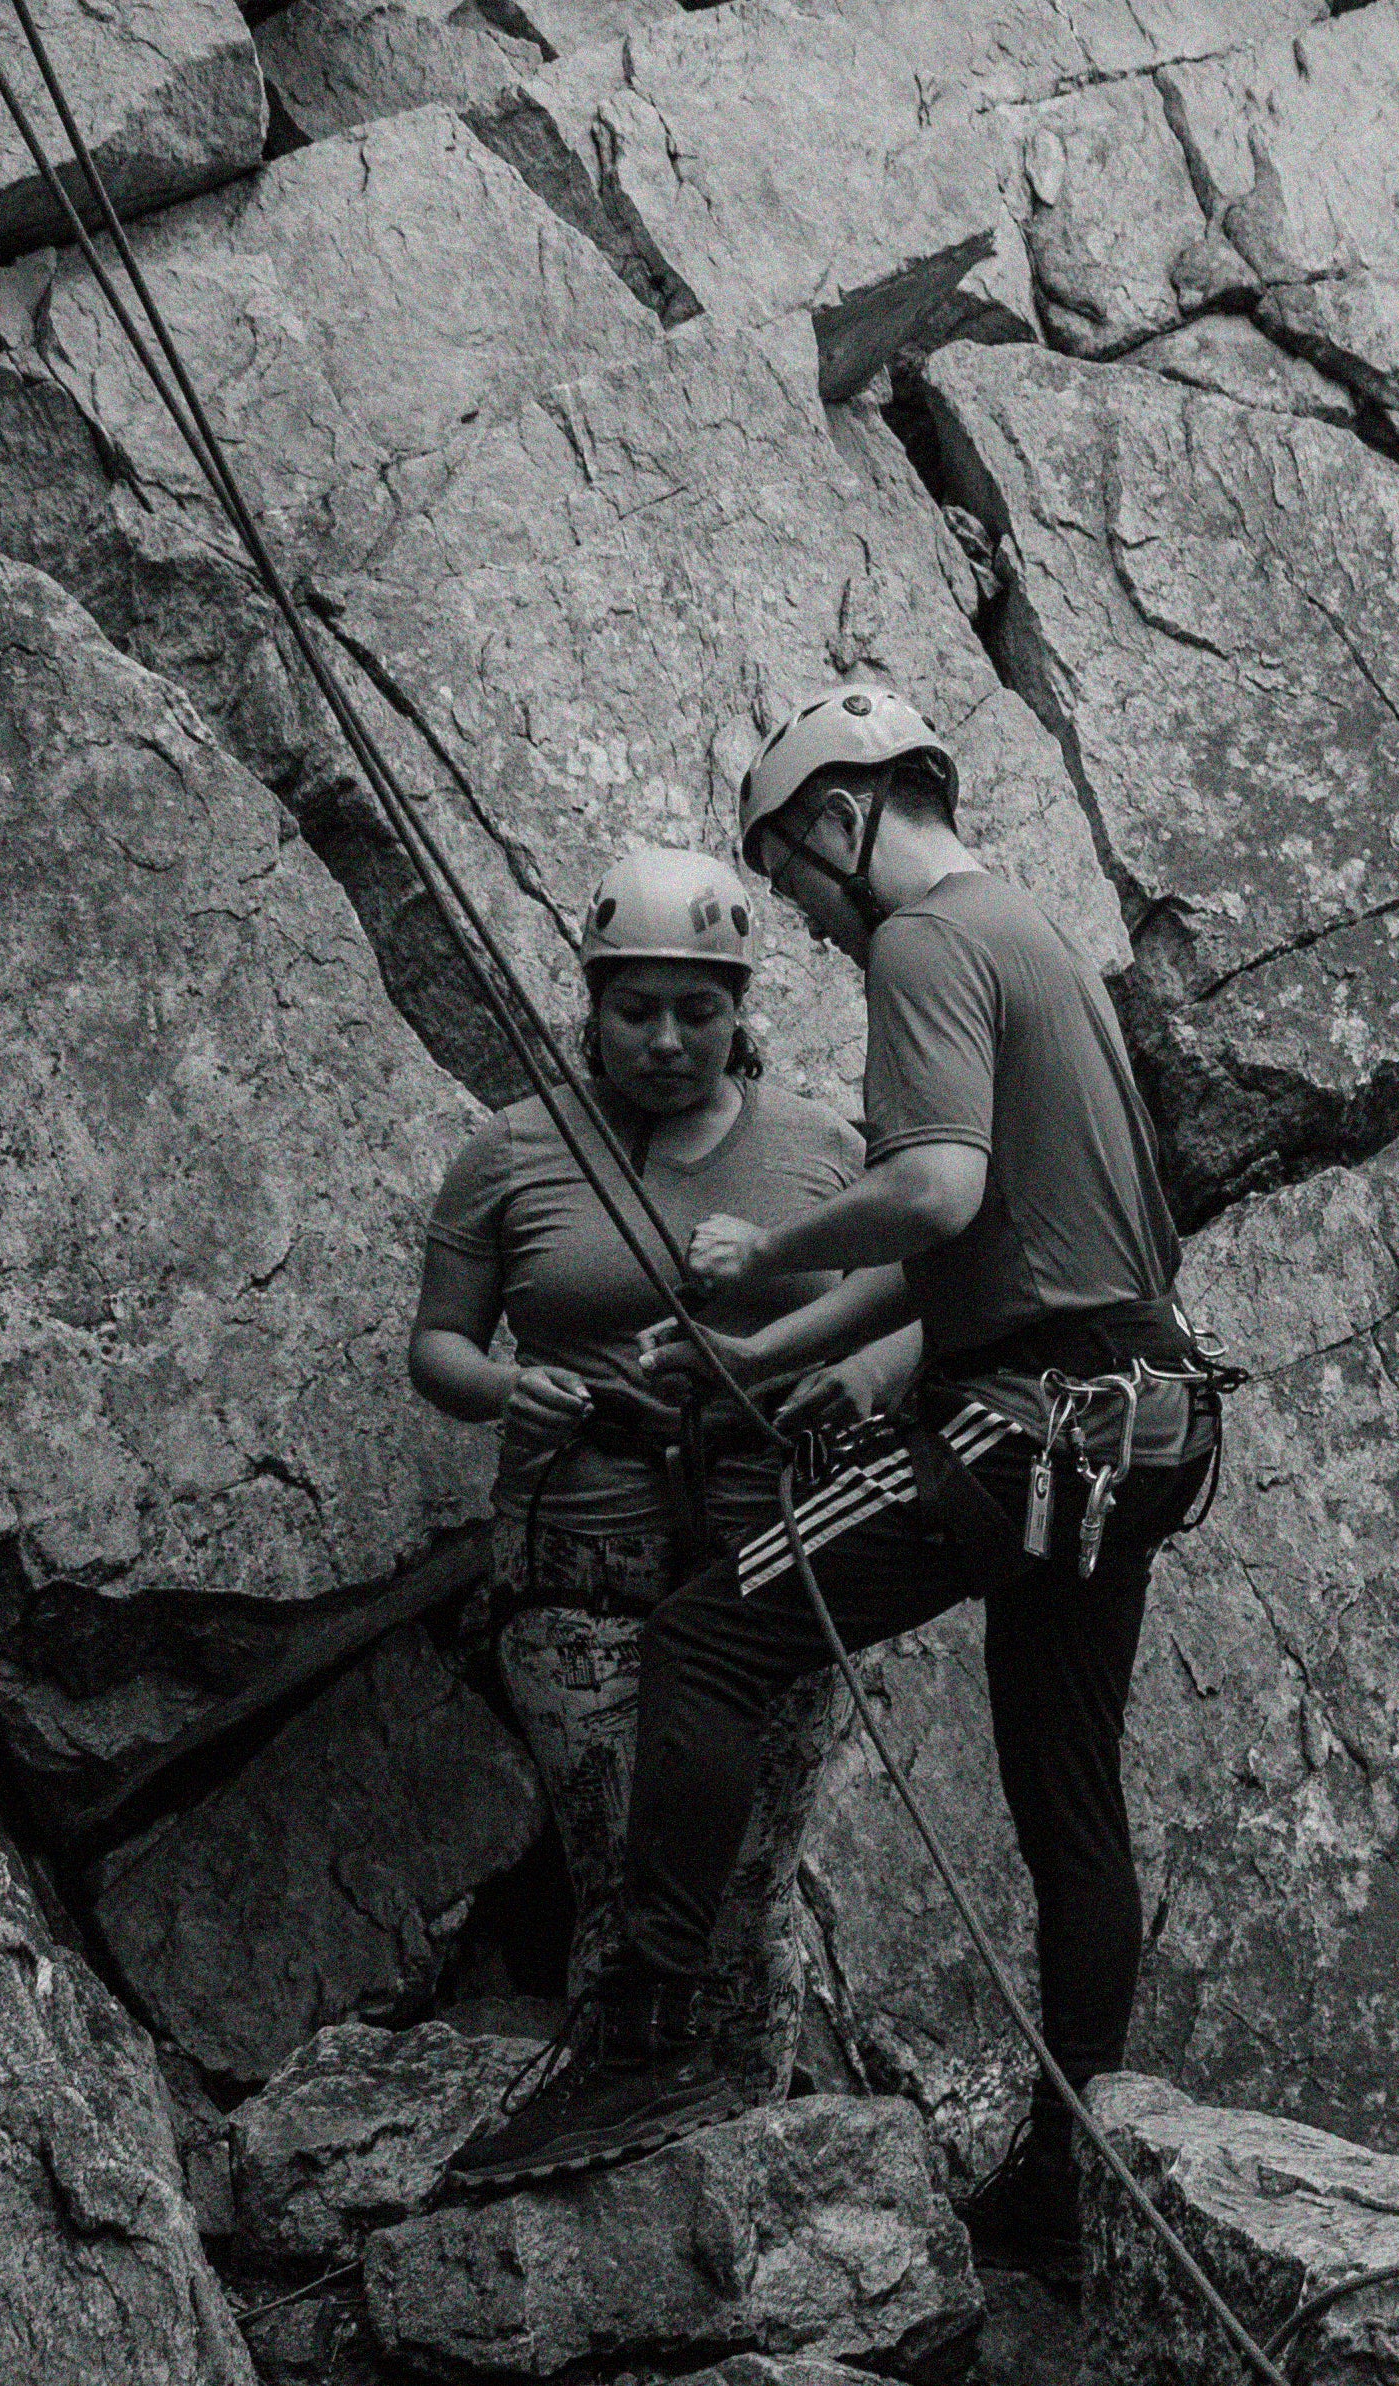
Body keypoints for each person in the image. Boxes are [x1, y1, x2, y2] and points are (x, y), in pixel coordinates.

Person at [438, 686, 1223, 2287]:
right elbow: (968, 1241)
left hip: (1042, 1412)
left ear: (845, 818)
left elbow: (931, 1188)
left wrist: (761, 1246)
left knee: (715, 1633)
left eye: (792, 872)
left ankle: (646, 2034)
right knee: (1069, 1805)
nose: (798, 911)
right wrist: (754, 1342)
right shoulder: (1032, 934)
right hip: (1136, 1415)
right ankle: (1073, 2186)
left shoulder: (929, 941)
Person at [406, 846, 886, 2066]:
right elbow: (439, 1348)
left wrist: (848, 1381)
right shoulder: (513, 1152)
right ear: (592, 1007)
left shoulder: (825, 1152)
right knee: (623, 1873)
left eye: (697, 1011)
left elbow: (913, 1299)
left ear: (739, 1014)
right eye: (635, 1010)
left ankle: (744, 2131)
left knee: (748, 1880)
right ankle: (616, 2130)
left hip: (766, 1549)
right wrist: (512, 1388)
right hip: (577, 1551)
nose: (665, 1040)